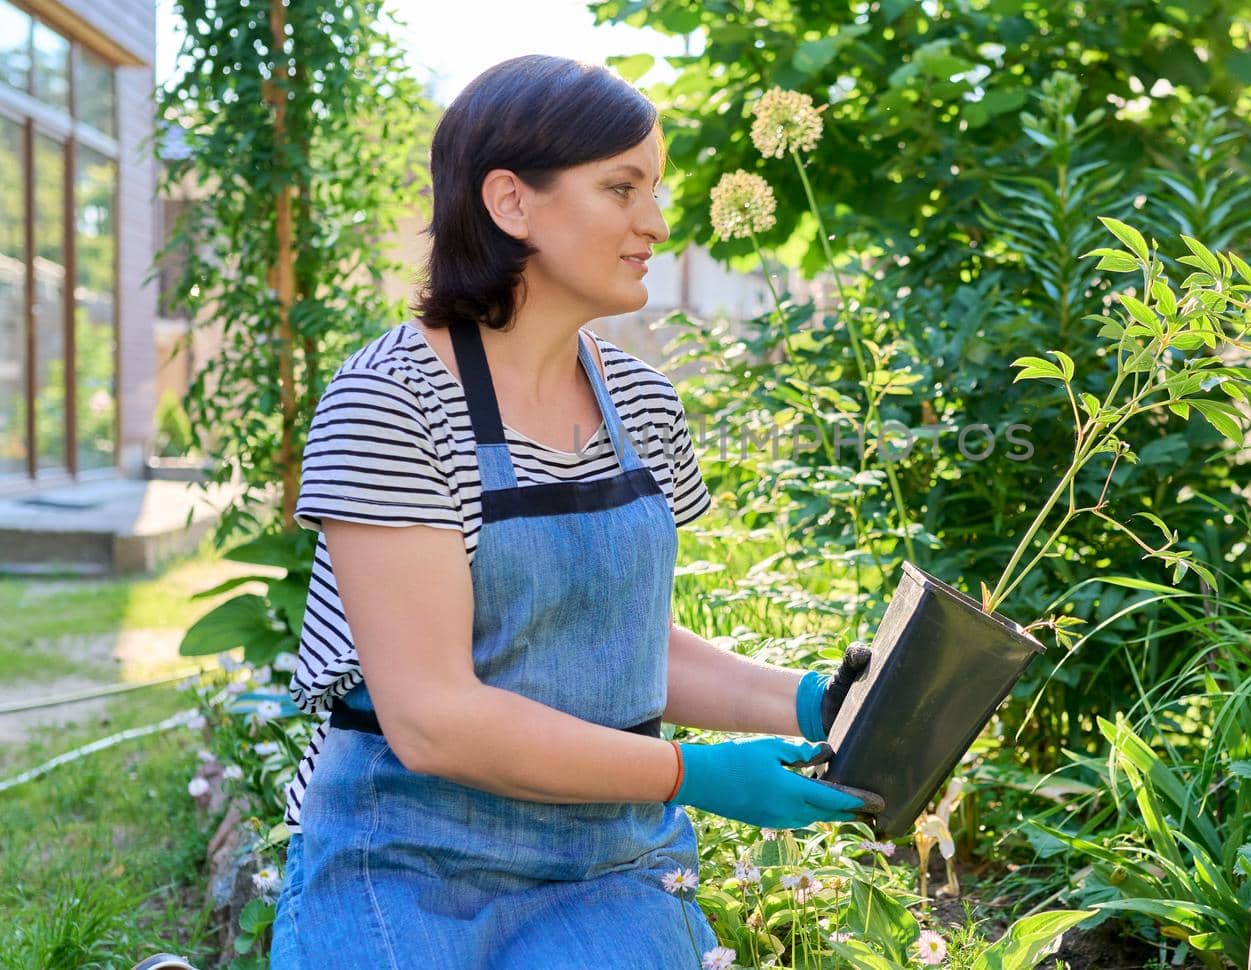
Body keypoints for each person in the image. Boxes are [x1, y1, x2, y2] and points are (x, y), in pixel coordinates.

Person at [268, 54, 876, 968]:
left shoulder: (642, 401)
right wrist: (694, 775)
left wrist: (809, 701)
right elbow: (432, 718)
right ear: (511, 203)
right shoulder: (389, 402)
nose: (657, 224)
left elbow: (616, 645)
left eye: (655, 189)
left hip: (608, 861)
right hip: (403, 860)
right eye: (621, 188)